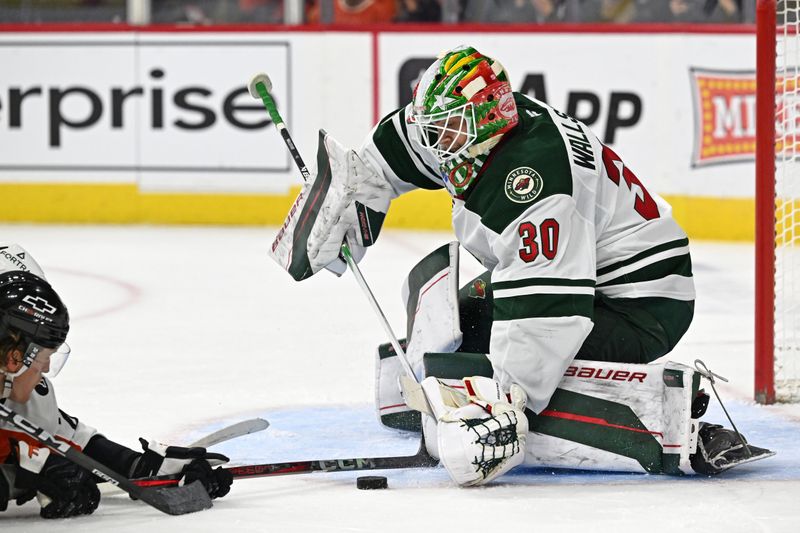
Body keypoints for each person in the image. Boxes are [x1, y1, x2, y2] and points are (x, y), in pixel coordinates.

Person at [269, 45, 772, 486]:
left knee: (497, 375)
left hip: (642, 305)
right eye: (435, 127)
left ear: (483, 123)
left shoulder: (534, 182)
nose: (435, 142)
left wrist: (503, 410)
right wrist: (354, 194)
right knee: (457, 337)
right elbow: (401, 144)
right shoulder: (479, 126)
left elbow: (549, 311)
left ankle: (669, 424)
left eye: (444, 131)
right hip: (583, 274)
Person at [0, 244, 232, 519]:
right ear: (16, 358)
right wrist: (20, 479)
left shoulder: (28, 396)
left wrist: (143, 468)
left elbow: (72, 441)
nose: (47, 368)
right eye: (43, 359)